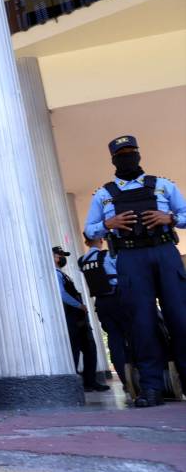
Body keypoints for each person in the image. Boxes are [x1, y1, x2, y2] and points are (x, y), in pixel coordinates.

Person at [84, 135, 186, 407]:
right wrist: (110, 223)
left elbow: (185, 214)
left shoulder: (163, 185)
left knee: (181, 318)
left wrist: (171, 218)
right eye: (121, 154)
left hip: (164, 252)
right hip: (129, 256)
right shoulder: (104, 194)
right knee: (142, 323)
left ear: (139, 154)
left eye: (131, 152)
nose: (127, 157)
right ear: (113, 159)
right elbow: (89, 230)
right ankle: (151, 388)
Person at [53, 246, 109, 392]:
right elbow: (62, 294)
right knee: (75, 350)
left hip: (78, 318)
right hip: (71, 317)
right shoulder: (55, 274)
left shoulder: (62, 274)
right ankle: (77, 383)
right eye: (58, 255)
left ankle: (90, 381)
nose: (61, 258)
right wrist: (79, 306)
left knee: (89, 348)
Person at [78, 234, 130, 389]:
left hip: (101, 303)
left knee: (114, 341)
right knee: (131, 337)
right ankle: (136, 378)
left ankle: (125, 381)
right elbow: (122, 273)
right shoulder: (107, 255)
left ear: (86, 242)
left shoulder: (82, 261)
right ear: (101, 240)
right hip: (117, 299)